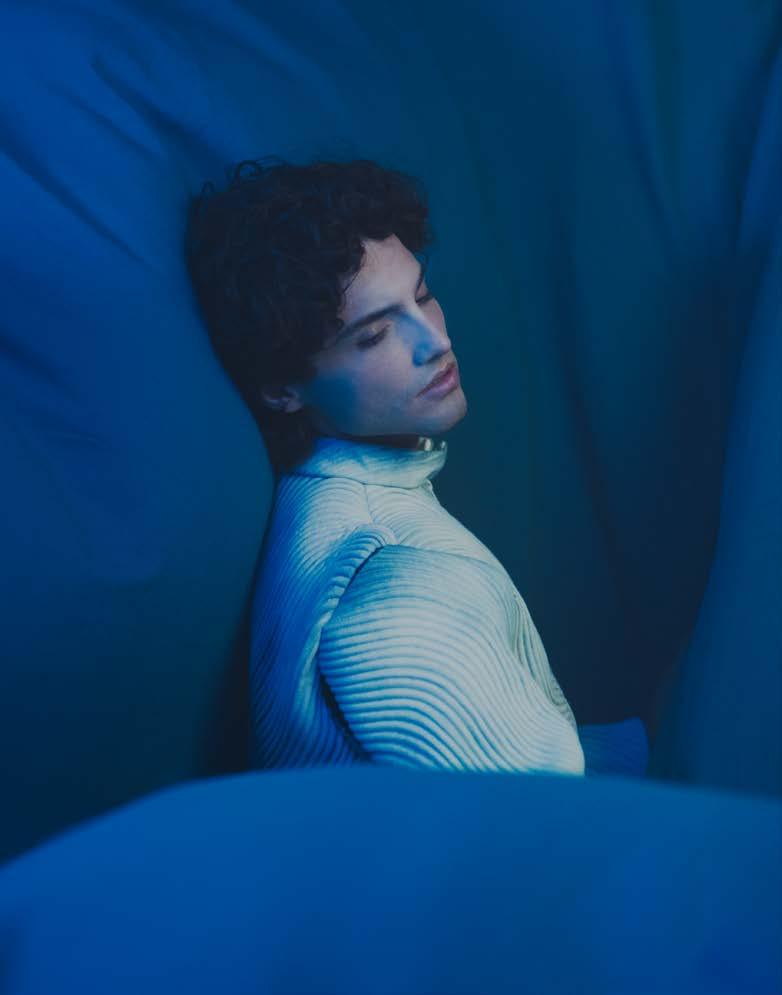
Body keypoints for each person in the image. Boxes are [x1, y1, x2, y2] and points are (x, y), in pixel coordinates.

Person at [184, 154, 649, 778]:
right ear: (281, 388)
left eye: (423, 296)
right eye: (374, 335)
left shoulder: (326, 500)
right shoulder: (399, 585)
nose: (436, 341)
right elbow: (532, 824)